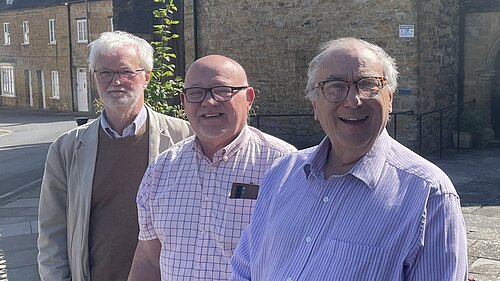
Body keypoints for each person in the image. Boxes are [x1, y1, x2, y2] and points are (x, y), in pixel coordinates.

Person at [230, 37, 468, 280]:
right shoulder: (282, 173)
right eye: (335, 87)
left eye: (368, 85)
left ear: (389, 98)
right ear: (315, 104)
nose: (353, 101)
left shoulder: (429, 194)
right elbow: (245, 266)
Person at [37, 31, 193, 281]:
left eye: (126, 72)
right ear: (94, 78)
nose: (116, 81)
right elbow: (51, 233)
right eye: (105, 73)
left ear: (146, 77)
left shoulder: (185, 138)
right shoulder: (65, 149)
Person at [127, 54, 297, 281]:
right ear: (183, 101)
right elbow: (148, 261)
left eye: (222, 90)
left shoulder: (285, 167)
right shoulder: (161, 170)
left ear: (249, 98)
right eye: (196, 93)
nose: (208, 102)